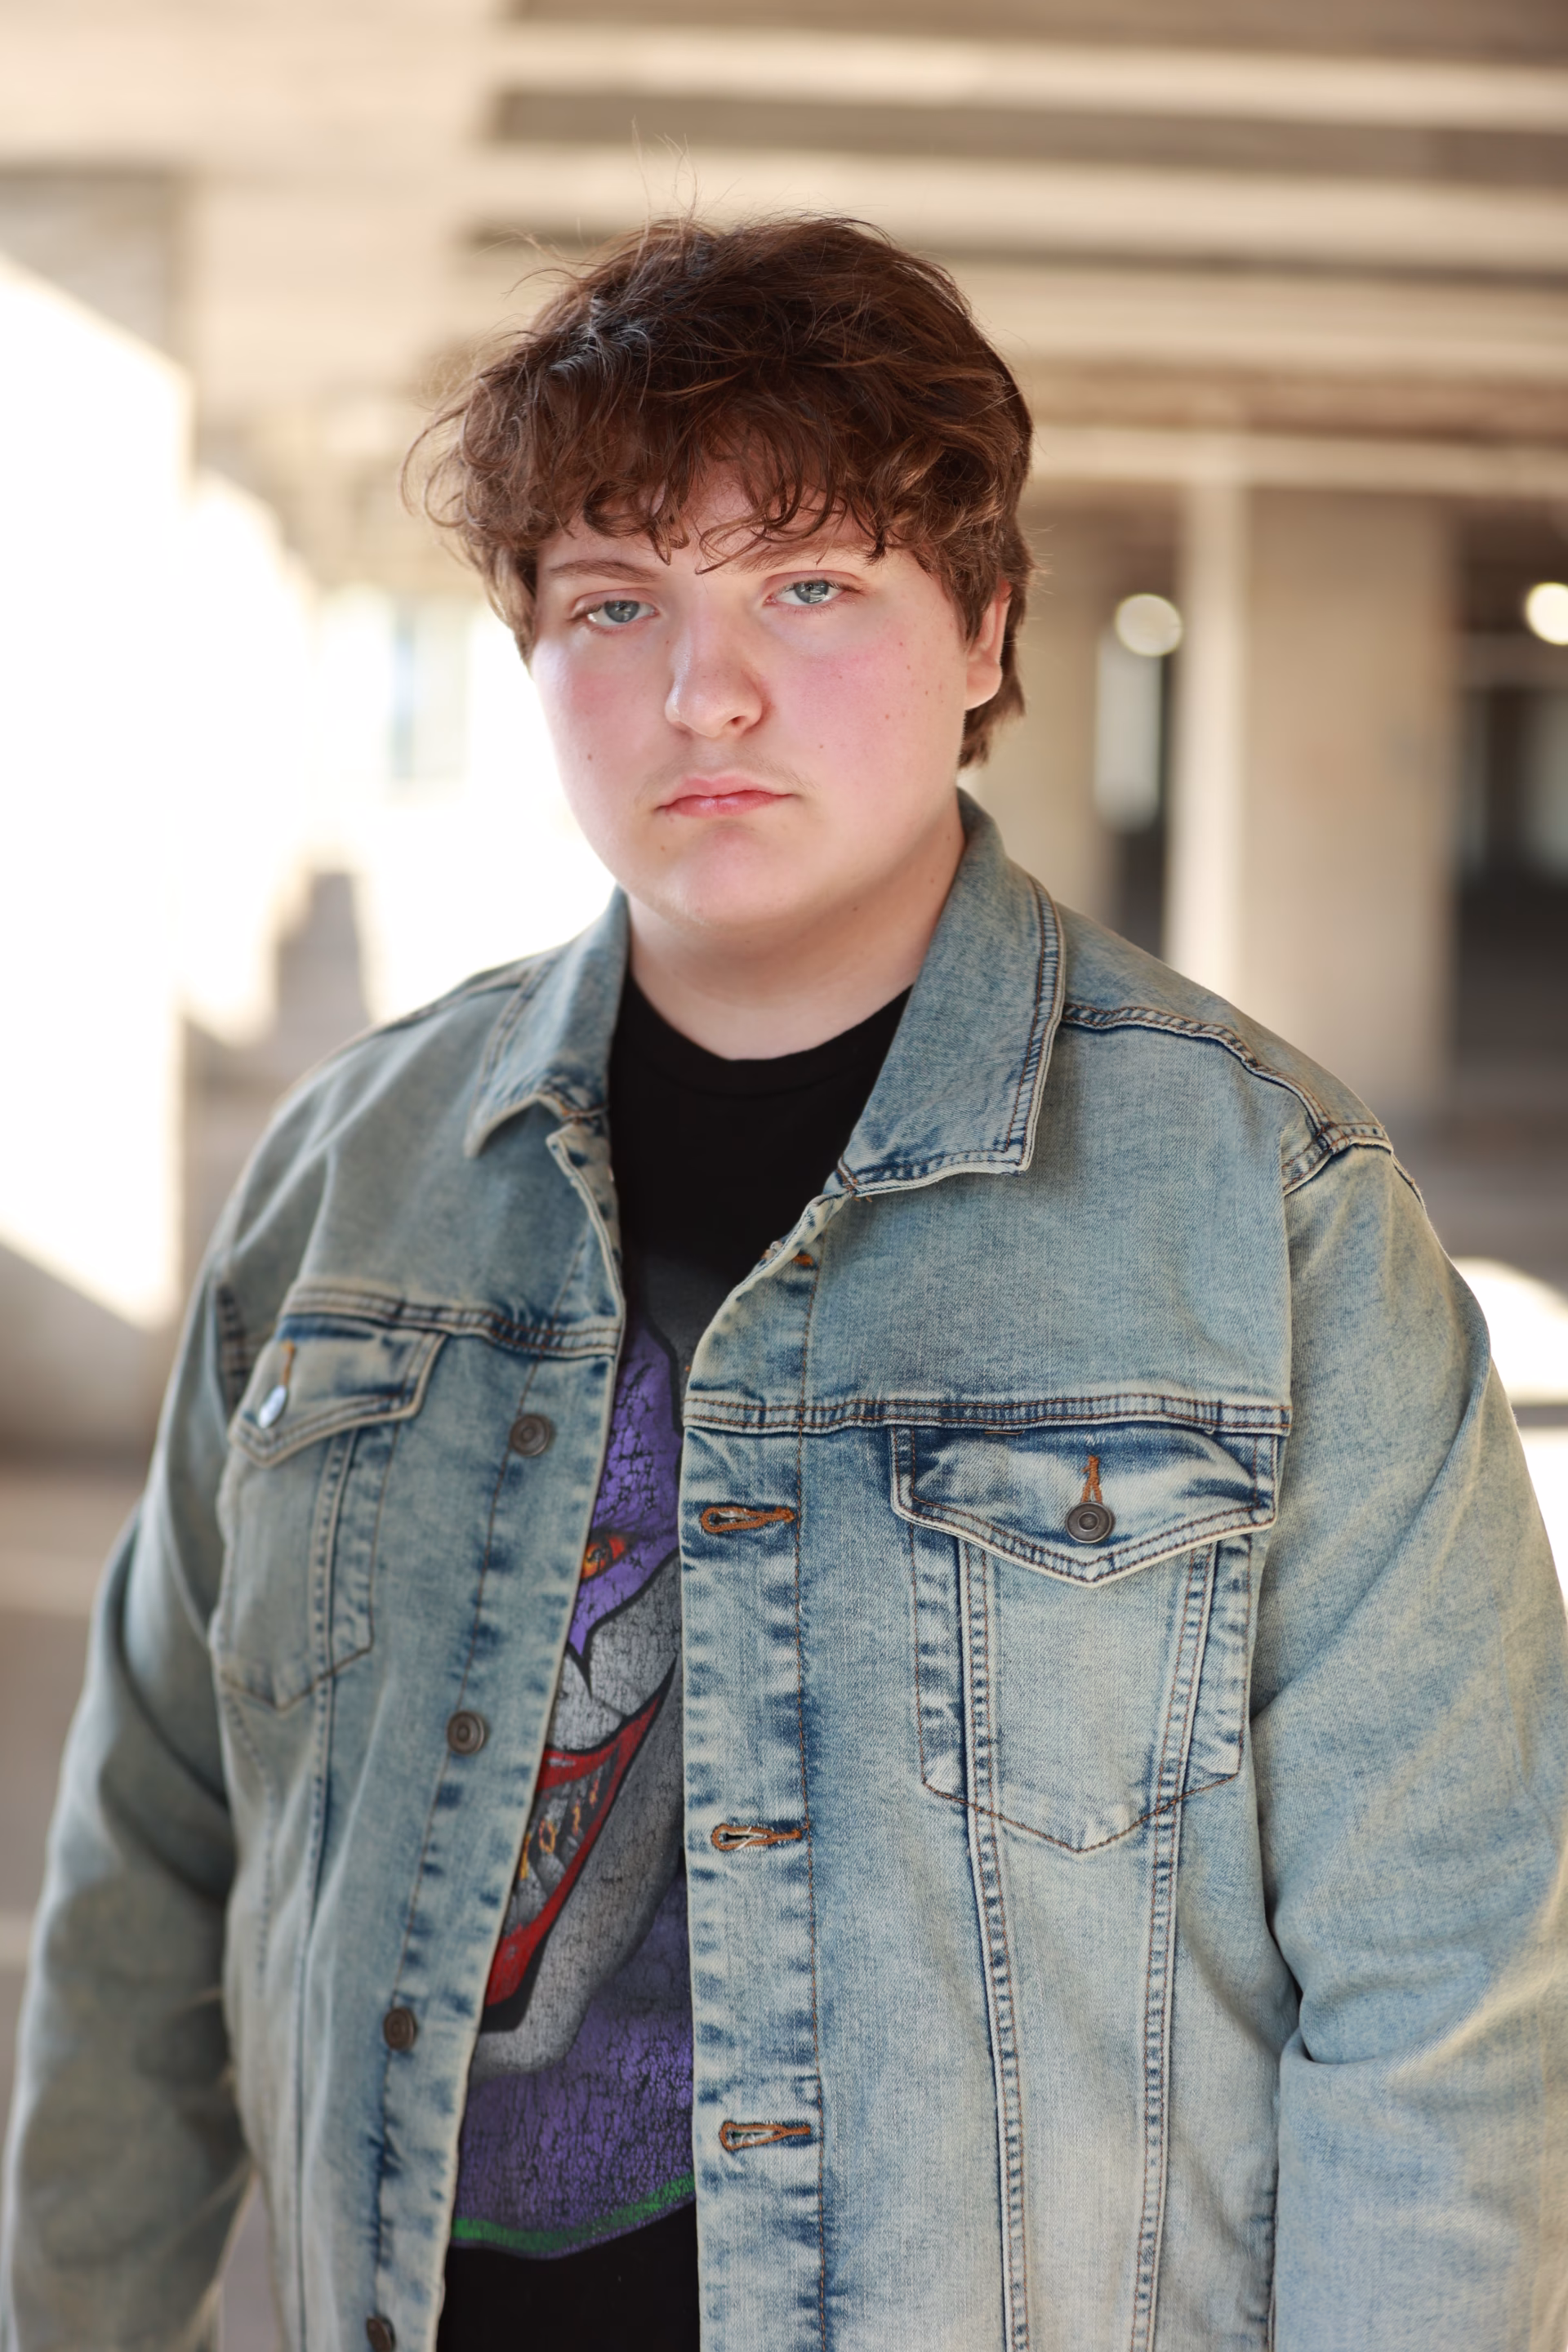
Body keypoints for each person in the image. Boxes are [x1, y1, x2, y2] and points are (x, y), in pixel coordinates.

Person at [3, 213, 1565, 2352]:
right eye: (614, 601)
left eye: (809, 586)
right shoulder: (354, 1178)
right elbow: (152, 1865)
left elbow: (1447, 1993)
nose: (703, 691)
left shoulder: (1267, 1209)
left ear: (987, 626)